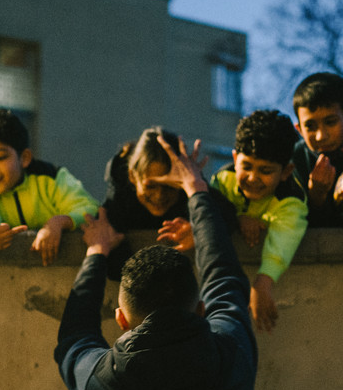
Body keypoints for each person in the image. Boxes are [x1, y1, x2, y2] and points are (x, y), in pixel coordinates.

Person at [55, 134, 271, 390]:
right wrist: (196, 191)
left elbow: (74, 338)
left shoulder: (100, 380)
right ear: (202, 310)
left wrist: (96, 254)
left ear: (120, 320)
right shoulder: (232, 352)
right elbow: (224, 276)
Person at [209, 110, 308, 332]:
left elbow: (284, 238)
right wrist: (237, 218)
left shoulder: (290, 202)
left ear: (286, 172)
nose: (253, 178)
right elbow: (209, 213)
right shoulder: (222, 181)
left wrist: (263, 282)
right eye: (246, 167)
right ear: (235, 159)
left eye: (265, 170)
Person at [0, 108, 98, 266]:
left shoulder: (51, 177)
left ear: (25, 158)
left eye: (0, 157)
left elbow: (89, 207)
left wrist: (59, 222)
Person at [102, 127, 234, 278]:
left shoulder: (188, 189)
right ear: (132, 176)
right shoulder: (120, 197)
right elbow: (111, 258)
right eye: (150, 186)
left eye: (170, 186)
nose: (159, 196)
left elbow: (229, 214)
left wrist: (202, 229)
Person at [292, 72, 343, 226]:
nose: (321, 136)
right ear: (299, 129)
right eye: (310, 126)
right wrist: (316, 198)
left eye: (330, 122)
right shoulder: (293, 161)